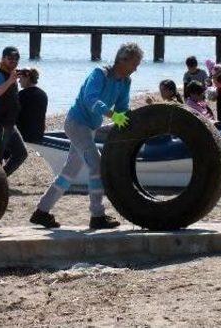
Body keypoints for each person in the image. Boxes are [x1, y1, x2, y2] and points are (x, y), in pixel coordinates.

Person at [30, 42, 144, 230]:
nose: (136, 69)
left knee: (70, 172)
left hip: (90, 127)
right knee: (96, 164)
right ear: (123, 60)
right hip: (76, 124)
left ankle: (41, 211)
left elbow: (123, 107)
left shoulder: (125, 81)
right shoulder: (100, 74)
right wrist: (112, 115)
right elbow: (91, 100)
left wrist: (126, 119)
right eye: (134, 64)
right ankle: (97, 215)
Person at [0, 46, 28, 175]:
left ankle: (1, 179)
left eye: (16, 59)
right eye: (10, 58)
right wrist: (10, 81)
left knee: (21, 153)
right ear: (3, 58)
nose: (13, 61)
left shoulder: (12, 73)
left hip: (10, 122)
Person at [16, 67, 48, 143]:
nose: (19, 81)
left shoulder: (22, 95)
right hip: (38, 133)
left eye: (20, 78)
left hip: (23, 134)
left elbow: (15, 114)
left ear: (27, 78)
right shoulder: (43, 94)